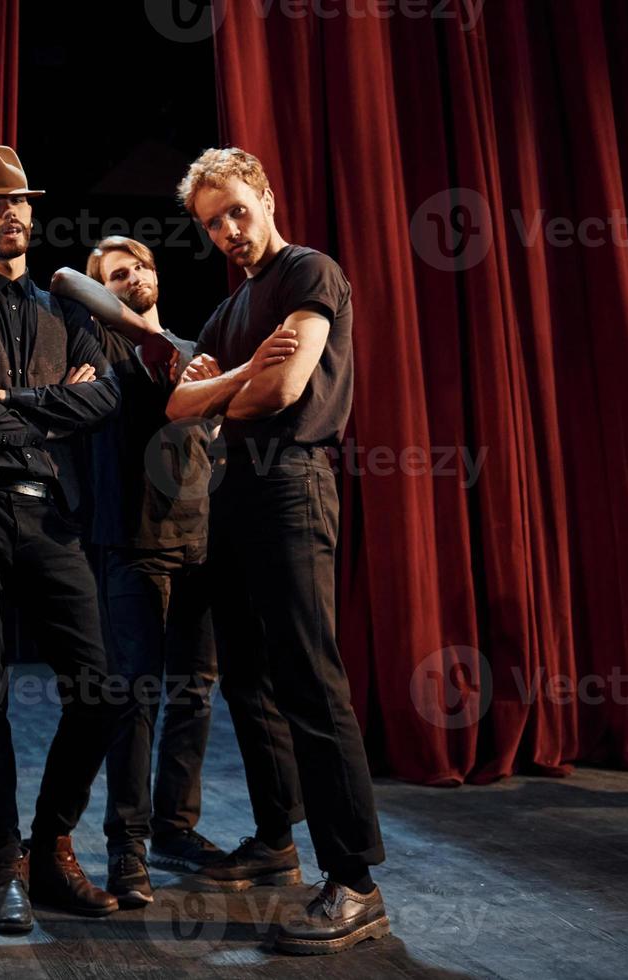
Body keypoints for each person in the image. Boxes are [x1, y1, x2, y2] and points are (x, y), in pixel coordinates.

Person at [166, 146, 389, 955]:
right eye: (211, 223)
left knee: (310, 678)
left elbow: (284, 390)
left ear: (263, 192)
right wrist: (228, 383)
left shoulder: (308, 273)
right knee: (249, 680)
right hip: (233, 495)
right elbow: (178, 403)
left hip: (293, 483)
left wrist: (222, 389)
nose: (228, 231)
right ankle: (276, 841)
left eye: (235, 211)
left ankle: (357, 881)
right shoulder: (232, 313)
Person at [0, 145, 127, 934]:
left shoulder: (68, 310)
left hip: (54, 516)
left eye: (21, 202)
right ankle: (3, 863)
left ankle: (50, 846)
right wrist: (42, 405)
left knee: (103, 687)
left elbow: (103, 400)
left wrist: (6, 398)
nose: (12, 214)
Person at [49, 240, 224, 909]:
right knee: (135, 697)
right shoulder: (97, 349)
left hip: (198, 542)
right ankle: (129, 847)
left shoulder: (188, 345)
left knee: (195, 693)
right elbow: (65, 280)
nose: (134, 277)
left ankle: (177, 827)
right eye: (118, 273)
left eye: (142, 267)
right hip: (130, 540)